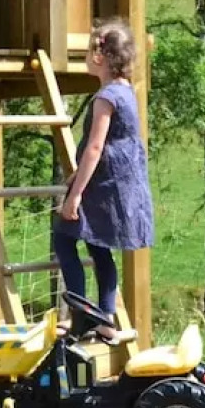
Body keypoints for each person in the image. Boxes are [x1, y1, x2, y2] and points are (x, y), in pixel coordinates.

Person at [55, 18, 155, 343]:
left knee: (63, 239)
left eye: (88, 52)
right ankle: (106, 319)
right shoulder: (126, 90)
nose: (85, 57)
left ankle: (81, 315)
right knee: (99, 250)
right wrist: (77, 176)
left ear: (99, 56)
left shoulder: (105, 97)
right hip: (119, 182)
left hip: (102, 184)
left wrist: (75, 195)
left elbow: (96, 147)